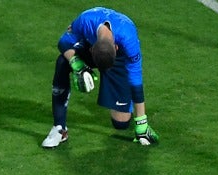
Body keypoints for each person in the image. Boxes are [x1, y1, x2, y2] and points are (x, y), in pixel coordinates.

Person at [41, 7, 159, 148]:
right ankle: (59, 128)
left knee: (121, 124)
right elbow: (63, 42)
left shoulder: (129, 38)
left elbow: (136, 80)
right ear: (91, 50)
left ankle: (126, 111)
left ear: (116, 47)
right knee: (62, 61)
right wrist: (77, 64)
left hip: (119, 59)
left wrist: (141, 123)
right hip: (94, 45)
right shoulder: (85, 20)